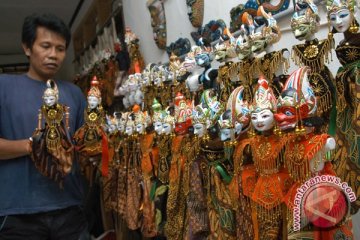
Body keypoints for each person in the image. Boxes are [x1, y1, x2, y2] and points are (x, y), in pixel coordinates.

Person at [0, 13, 87, 239]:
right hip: (18, 213)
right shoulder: (5, 87)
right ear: (27, 48)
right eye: (45, 46)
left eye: (60, 48)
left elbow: (83, 145)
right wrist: (33, 145)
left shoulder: (74, 93)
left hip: (70, 209)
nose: (53, 55)